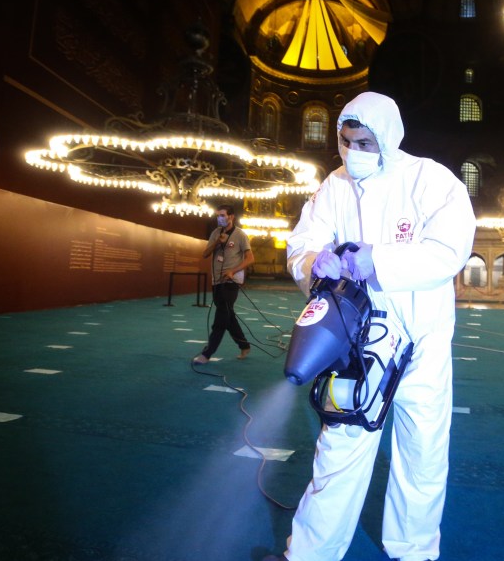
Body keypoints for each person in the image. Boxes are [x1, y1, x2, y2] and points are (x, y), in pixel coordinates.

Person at [266, 92, 476, 561]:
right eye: (345, 141)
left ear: (388, 137)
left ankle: (414, 550)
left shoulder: (431, 181)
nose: (352, 151)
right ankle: (307, 554)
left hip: (421, 341)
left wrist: (377, 261)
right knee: (339, 444)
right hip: (358, 341)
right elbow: (302, 243)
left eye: (364, 142)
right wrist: (314, 264)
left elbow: (449, 251)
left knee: (420, 450)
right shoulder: (333, 186)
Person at [192, 204, 254, 365]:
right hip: (217, 281)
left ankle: (207, 353)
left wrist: (233, 271)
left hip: (231, 281)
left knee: (220, 318)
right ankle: (244, 345)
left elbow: (250, 259)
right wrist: (217, 243)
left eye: (222, 215)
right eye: (218, 215)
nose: (219, 218)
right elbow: (205, 253)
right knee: (228, 315)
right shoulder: (215, 233)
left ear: (231, 216)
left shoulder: (240, 235)